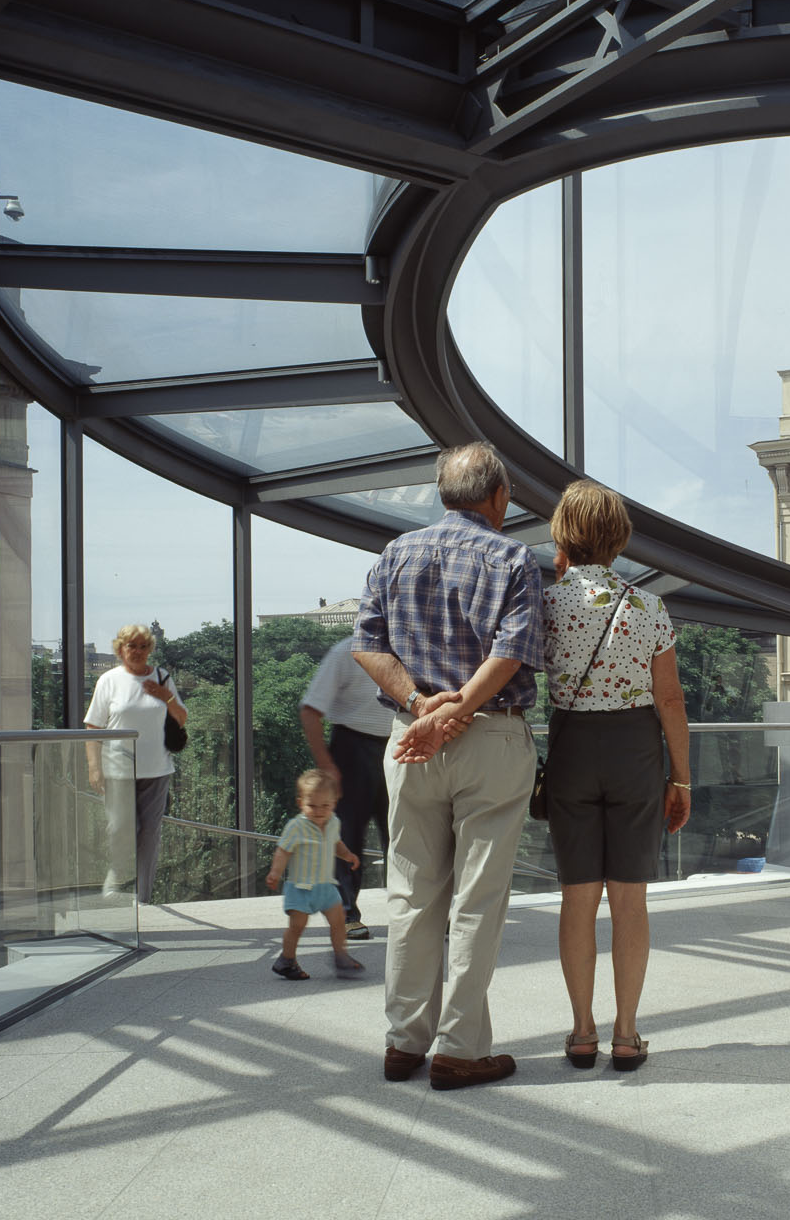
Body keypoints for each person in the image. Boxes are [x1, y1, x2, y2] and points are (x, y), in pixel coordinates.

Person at [351, 441, 545, 1092]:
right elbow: (511, 653)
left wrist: (420, 708)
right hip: (490, 740)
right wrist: (457, 710)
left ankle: (404, 1043)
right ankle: (460, 1050)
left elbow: (367, 647)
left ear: (442, 495)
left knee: (410, 895)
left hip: (410, 742)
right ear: (498, 497)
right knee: (478, 900)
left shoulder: (394, 554)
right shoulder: (514, 557)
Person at [539, 480, 691, 1072]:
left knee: (578, 897)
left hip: (572, 744)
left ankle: (581, 1032)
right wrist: (680, 779)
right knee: (630, 901)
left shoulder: (545, 605)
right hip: (635, 749)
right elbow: (671, 700)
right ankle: (627, 1035)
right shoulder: (646, 606)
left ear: (562, 536)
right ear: (618, 538)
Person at [84, 624, 188, 904]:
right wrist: (94, 767)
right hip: (118, 768)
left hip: (157, 769)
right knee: (119, 827)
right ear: (121, 649)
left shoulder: (162, 677)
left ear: (150, 649)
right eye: (132, 646)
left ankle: (143, 896)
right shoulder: (109, 680)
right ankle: (116, 877)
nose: (138, 651)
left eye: (143, 646)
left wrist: (164, 697)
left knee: (150, 835)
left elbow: (181, 718)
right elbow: (93, 727)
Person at [301, 630, 392, 942]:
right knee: (348, 835)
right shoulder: (345, 652)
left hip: (400, 744)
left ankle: (420, 912)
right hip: (353, 748)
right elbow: (310, 711)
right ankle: (347, 914)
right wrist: (327, 765)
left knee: (407, 834)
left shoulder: (408, 649)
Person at [265, 769, 366, 981]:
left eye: (325, 806)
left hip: (326, 887)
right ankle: (286, 959)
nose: (319, 811)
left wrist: (347, 855)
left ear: (334, 803)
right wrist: (276, 872)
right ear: (300, 802)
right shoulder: (296, 826)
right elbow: (283, 850)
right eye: (312, 806)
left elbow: (335, 843)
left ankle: (341, 957)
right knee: (297, 926)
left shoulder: (333, 822)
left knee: (339, 921)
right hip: (300, 888)